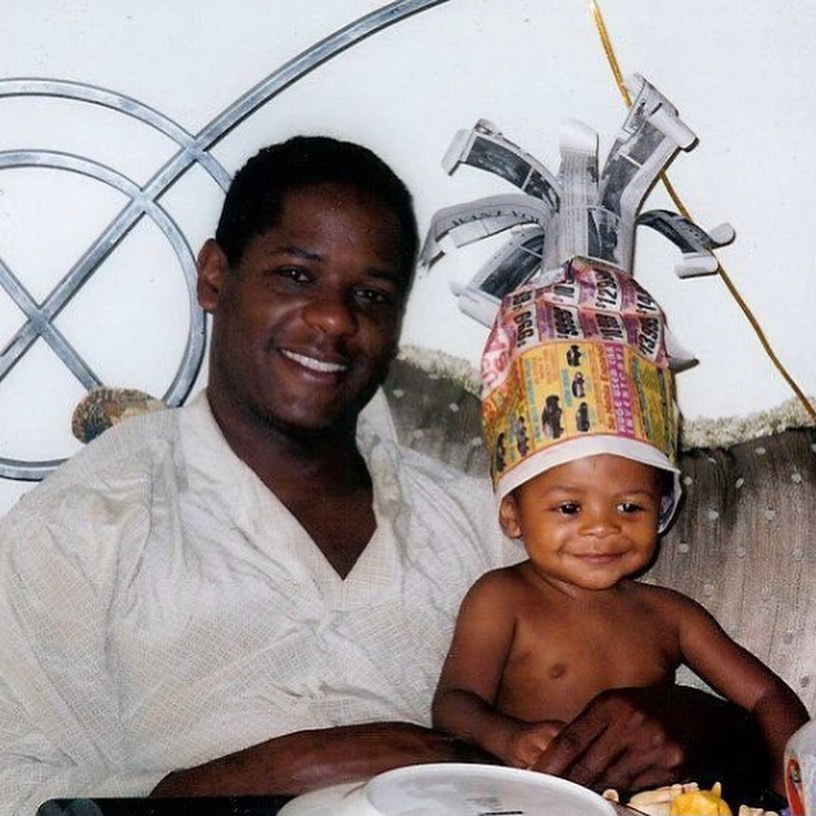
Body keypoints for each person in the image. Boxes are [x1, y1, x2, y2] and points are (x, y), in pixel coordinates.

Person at [0, 137, 770, 815]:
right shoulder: (88, 523)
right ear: (214, 278)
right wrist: (248, 780)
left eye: (371, 295)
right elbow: (13, 778)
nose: (336, 320)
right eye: (297, 275)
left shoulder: (485, 523)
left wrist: (700, 724)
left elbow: (714, 728)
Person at [432, 259, 809, 799]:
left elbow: (770, 699)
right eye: (568, 509)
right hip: (534, 797)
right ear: (512, 515)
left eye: (630, 507)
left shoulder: (670, 615)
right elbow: (453, 703)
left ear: (662, 508)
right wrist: (507, 737)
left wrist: (783, 785)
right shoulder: (501, 598)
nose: (602, 530)